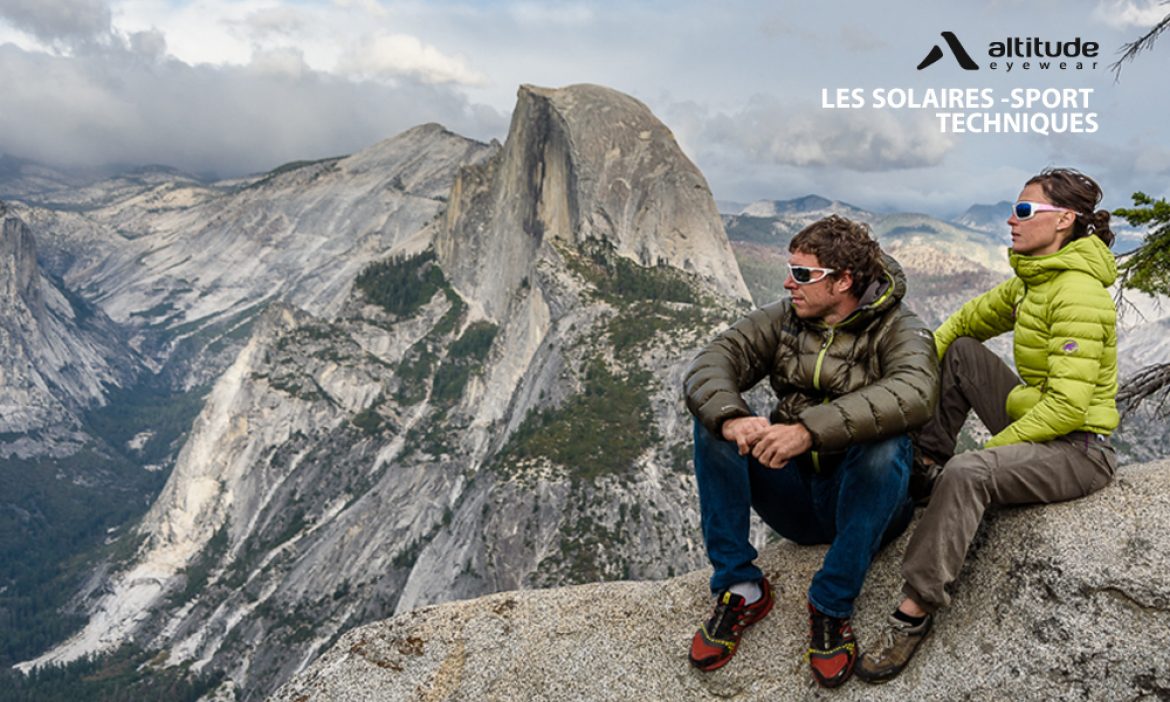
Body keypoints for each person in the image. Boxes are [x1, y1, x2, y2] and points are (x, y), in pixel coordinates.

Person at [856, 168, 1120, 683]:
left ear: (1064, 220)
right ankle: (923, 463)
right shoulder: (1034, 278)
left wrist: (990, 453)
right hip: (1038, 419)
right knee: (960, 354)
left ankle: (914, 612)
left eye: (1024, 211)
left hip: (1078, 449)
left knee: (969, 474)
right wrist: (904, 374)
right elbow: (966, 323)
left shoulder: (1078, 294)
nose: (1011, 219)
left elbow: (1067, 408)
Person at [683, 215, 939, 688]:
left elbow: (916, 391)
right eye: (790, 270)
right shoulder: (785, 319)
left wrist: (808, 430)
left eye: (802, 274)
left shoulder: (898, 328)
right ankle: (740, 586)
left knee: (885, 442)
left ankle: (831, 605)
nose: (788, 282)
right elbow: (714, 360)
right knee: (714, 427)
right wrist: (732, 416)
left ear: (843, 281)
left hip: (868, 504)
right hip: (797, 497)